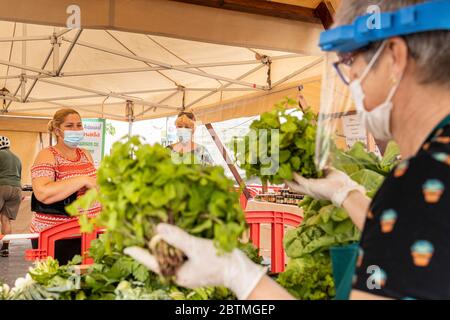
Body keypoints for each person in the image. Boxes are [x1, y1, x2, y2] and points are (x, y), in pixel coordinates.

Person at [125, 0, 450, 300]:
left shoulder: (419, 182)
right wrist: (347, 194)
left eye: (352, 59)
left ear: (394, 56)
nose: (350, 76)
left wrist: (240, 276)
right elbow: (421, 239)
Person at [30, 108, 100, 265]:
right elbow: (43, 192)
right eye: (69, 126)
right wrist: (82, 179)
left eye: (79, 125)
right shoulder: (47, 155)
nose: (76, 129)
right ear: (57, 130)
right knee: (59, 285)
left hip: (87, 234)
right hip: (56, 236)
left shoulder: (85, 154)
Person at [0, 136, 22, 257]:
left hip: (2, 186)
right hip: (17, 189)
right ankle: (5, 248)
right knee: (5, 219)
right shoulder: (17, 158)